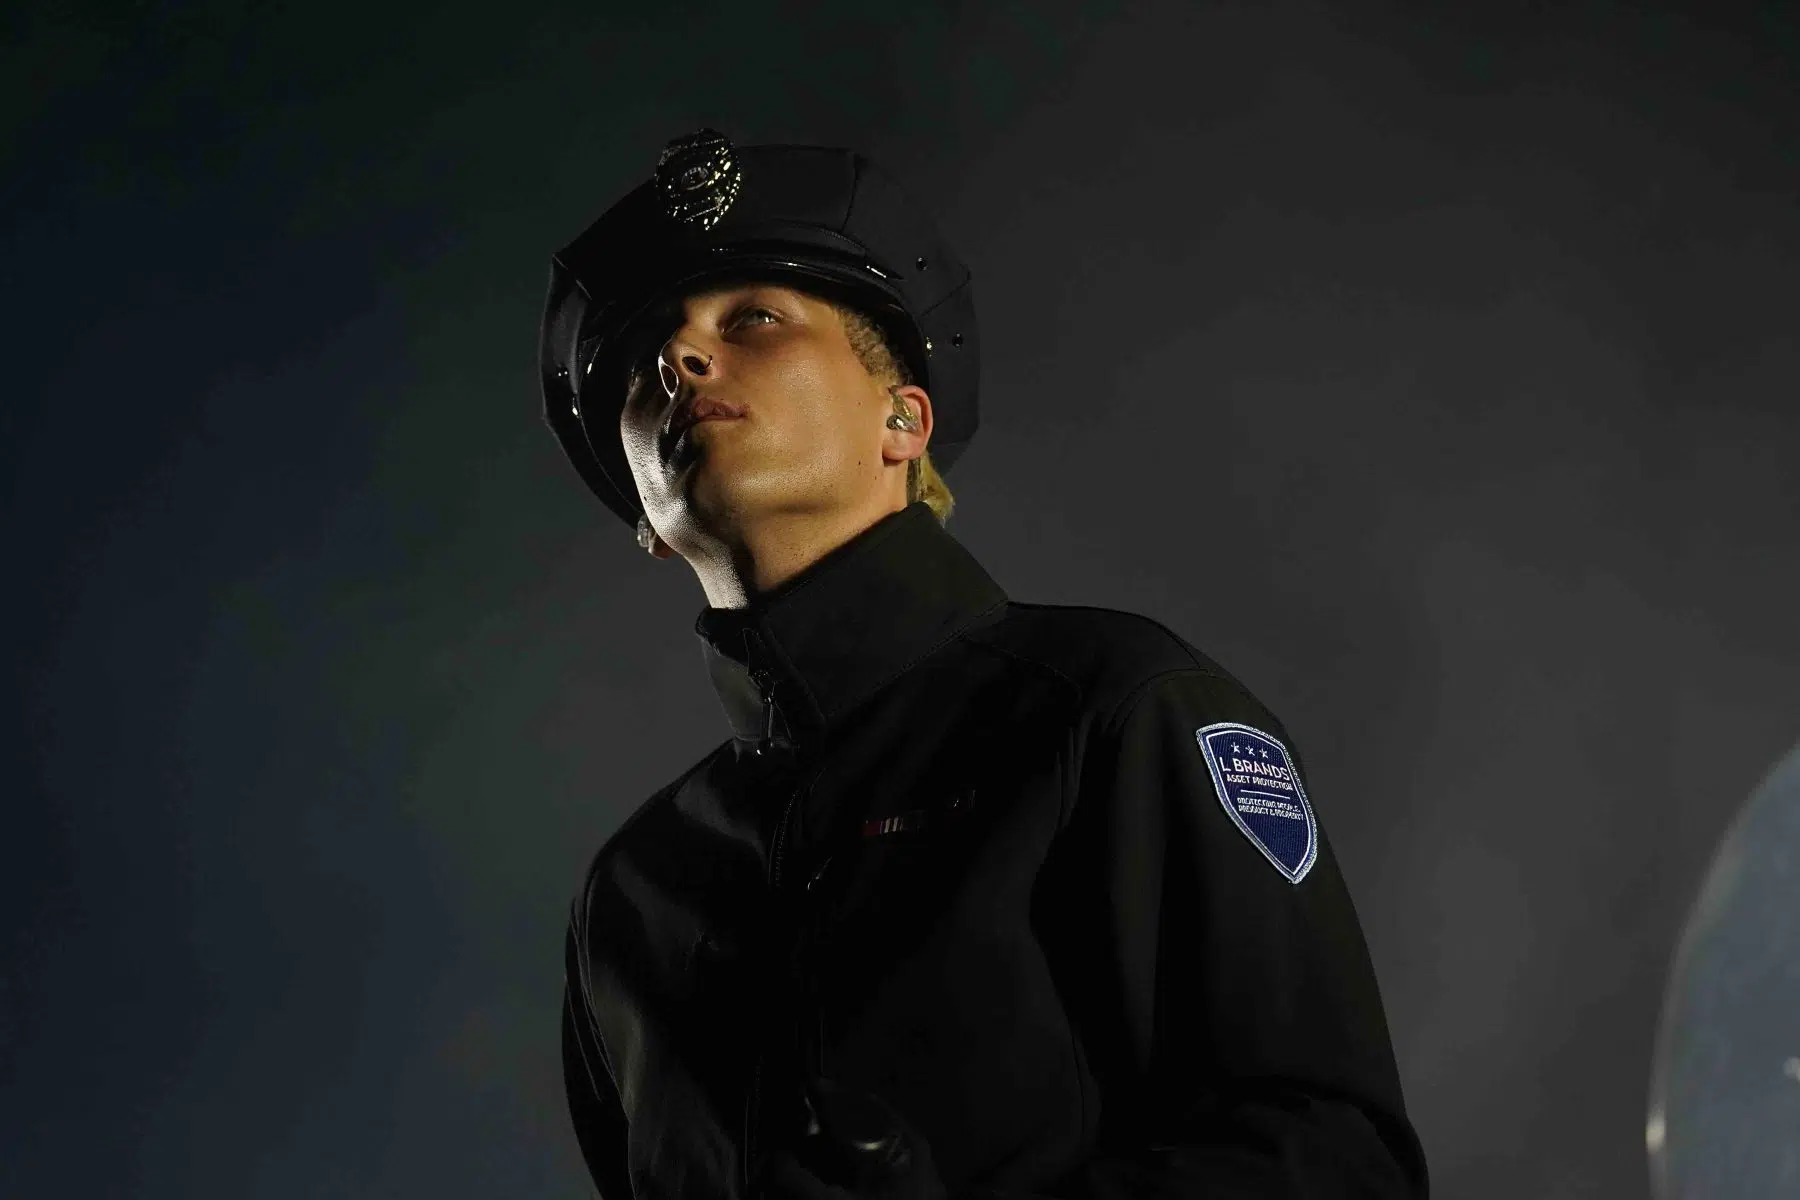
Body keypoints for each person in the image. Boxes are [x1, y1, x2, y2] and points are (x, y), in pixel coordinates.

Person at [542, 130, 1430, 1200]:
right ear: (645, 519)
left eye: (754, 320)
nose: (678, 358)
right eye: (649, 347)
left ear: (902, 420)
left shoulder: (1114, 709)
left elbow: (1335, 1165)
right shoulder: (630, 899)